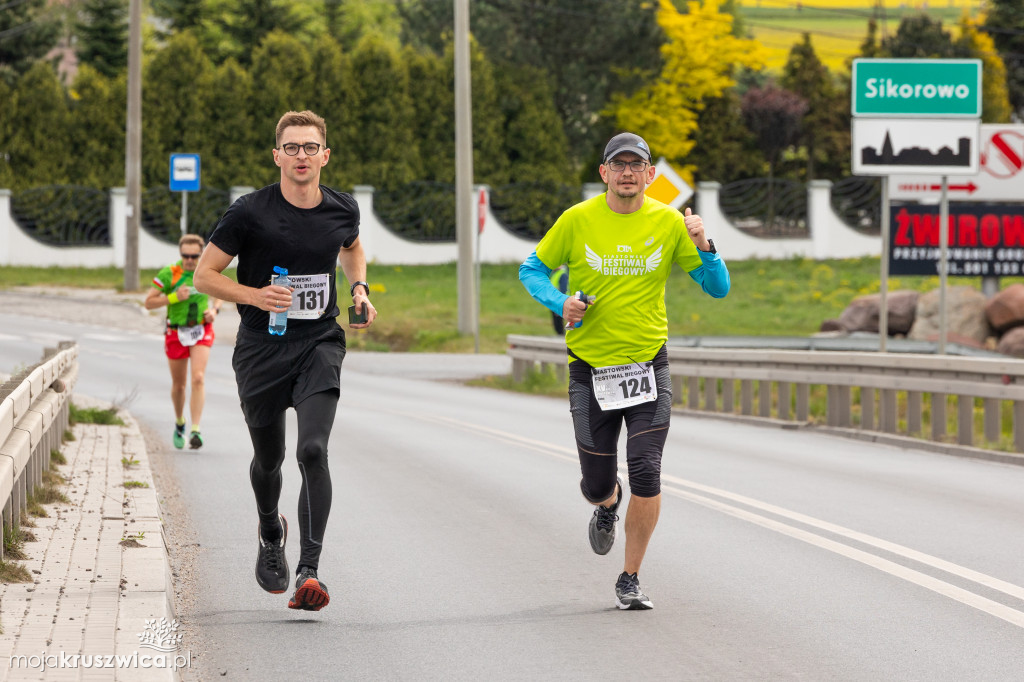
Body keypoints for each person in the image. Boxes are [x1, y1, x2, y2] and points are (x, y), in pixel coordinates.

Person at [518, 132, 730, 610]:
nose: (629, 173)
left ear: (651, 175)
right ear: (604, 174)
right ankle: (608, 504)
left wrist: (705, 243)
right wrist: (561, 301)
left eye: (638, 165)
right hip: (590, 368)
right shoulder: (577, 219)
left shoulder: (671, 223)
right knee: (596, 483)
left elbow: (717, 289)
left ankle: (630, 578)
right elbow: (531, 269)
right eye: (620, 165)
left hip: (647, 366)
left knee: (647, 470)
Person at [193, 110, 376, 612]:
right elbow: (204, 277)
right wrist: (254, 295)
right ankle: (271, 529)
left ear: (325, 155)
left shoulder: (342, 208)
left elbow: (352, 247)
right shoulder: (248, 212)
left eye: (310, 147)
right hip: (261, 349)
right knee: (269, 459)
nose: (301, 156)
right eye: (291, 147)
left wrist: (358, 286)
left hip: (319, 341)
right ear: (277, 156)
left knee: (313, 450)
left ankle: (309, 571)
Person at [144, 234, 220, 451]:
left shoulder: (207, 270)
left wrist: (214, 311)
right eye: (185, 256)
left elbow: (221, 291)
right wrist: (174, 297)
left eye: (194, 256)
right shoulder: (170, 273)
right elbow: (149, 302)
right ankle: (180, 422)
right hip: (176, 332)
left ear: (201, 254)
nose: (189, 260)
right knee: (179, 385)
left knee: (198, 378)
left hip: (201, 329)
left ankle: (196, 429)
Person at [549, 264, 569, 335]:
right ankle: (561, 334)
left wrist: (560, 302)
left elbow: (563, 289)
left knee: (559, 320)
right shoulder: (556, 273)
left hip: (559, 301)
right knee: (556, 320)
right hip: (554, 301)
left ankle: (562, 335)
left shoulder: (562, 274)